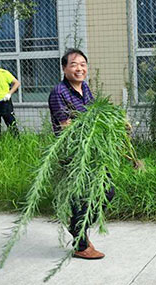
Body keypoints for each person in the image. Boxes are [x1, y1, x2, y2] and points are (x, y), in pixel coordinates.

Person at [48, 48, 114, 260]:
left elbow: (95, 114)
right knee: (81, 198)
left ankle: (78, 229)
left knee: (107, 191)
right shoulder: (59, 92)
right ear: (64, 68)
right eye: (74, 64)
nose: (79, 68)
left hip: (92, 152)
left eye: (83, 64)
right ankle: (81, 244)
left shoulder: (85, 88)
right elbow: (67, 126)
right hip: (74, 154)